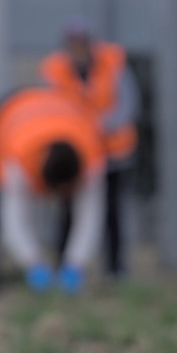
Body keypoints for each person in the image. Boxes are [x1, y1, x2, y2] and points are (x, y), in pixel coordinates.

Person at [0, 87, 106, 293]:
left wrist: (77, 264)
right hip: (8, 116)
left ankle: (65, 267)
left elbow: (91, 216)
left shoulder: (92, 158)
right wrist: (33, 263)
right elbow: (12, 218)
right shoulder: (18, 159)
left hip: (59, 112)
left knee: (74, 212)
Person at [40, 21, 139, 279]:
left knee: (111, 213)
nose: (78, 49)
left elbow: (127, 104)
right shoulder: (56, 70)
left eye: (82, 43)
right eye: (73, 44)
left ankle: (115, 269)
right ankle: (64, 266)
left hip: (111, 153)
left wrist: (99, 126)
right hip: (78, 155)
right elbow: (51, 106)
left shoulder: (113, 64)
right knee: (68, 212)